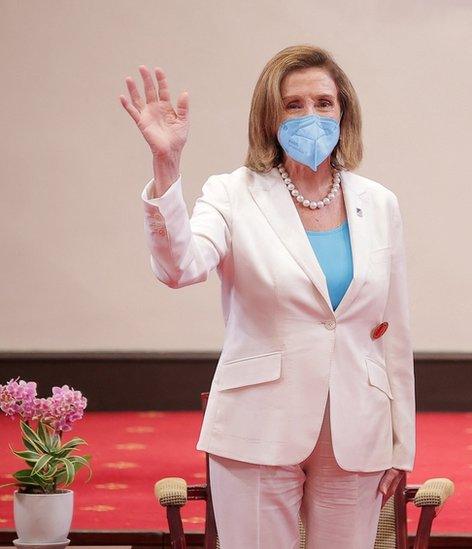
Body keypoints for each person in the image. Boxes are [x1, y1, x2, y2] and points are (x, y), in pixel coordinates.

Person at [120, 45, 414, 548]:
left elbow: (392, 330)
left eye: (324, 102)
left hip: (358, 428)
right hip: (258, 423)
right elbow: (179, 268)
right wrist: (166, 165)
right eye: (293, 104)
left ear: (344, 111)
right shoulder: (232, 193)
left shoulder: (379, 203)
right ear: (268, 116)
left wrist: (400, 444)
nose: (311, 116)